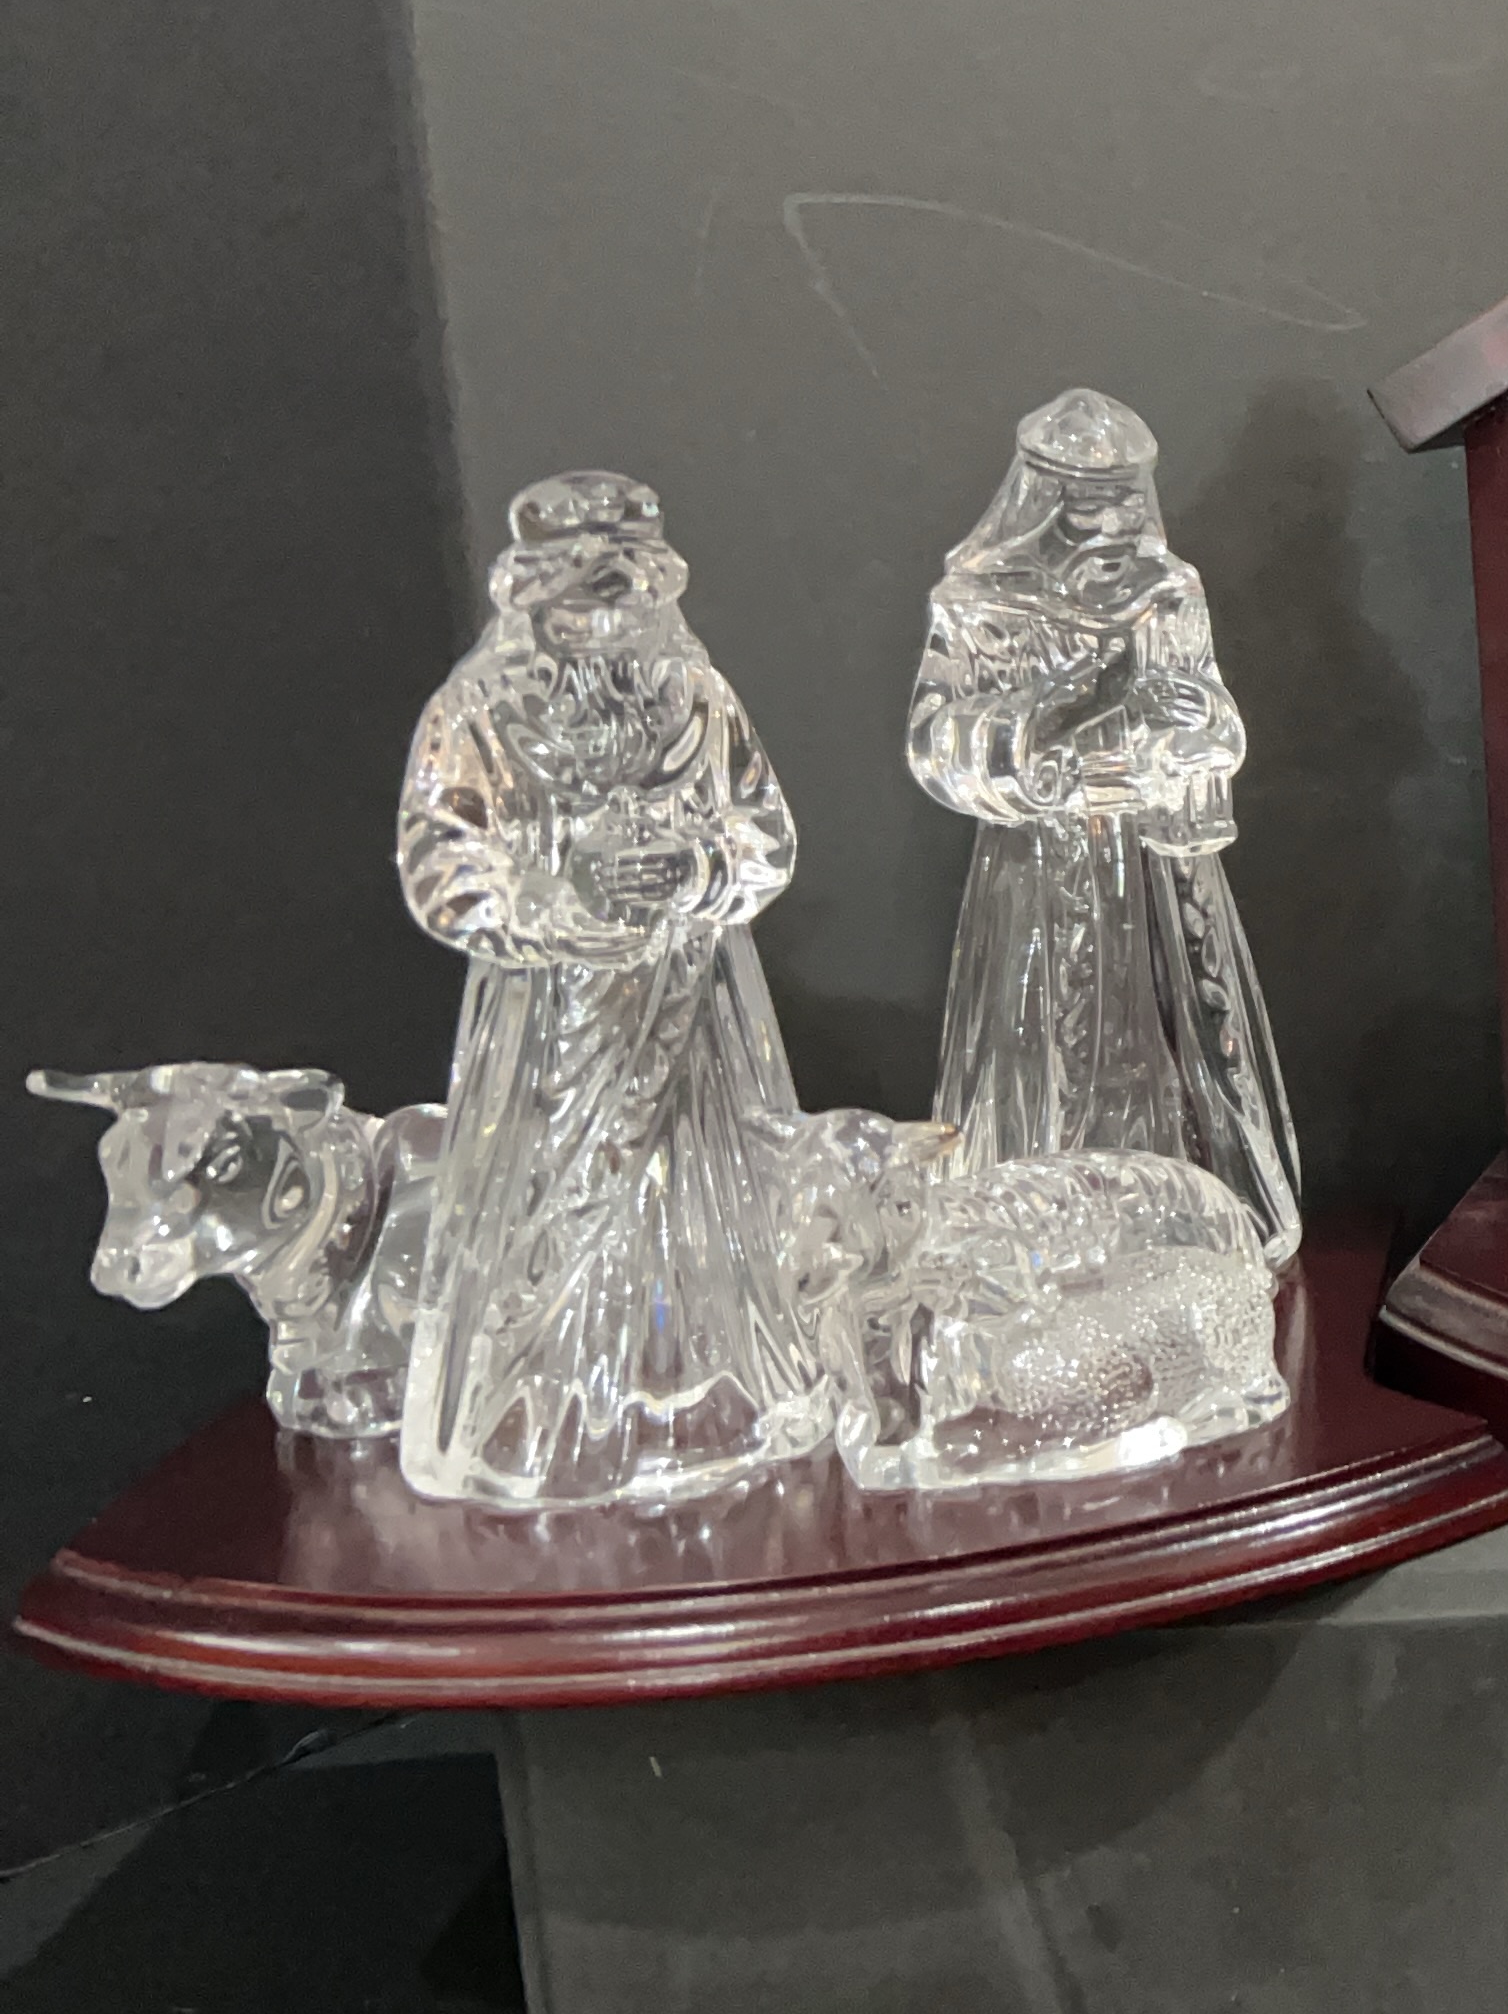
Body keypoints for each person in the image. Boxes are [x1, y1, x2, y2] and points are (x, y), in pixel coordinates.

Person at [396, 471, 824, 1506]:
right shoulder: (479, 716)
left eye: (629, 593)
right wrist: (555, 901)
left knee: (709, 1200)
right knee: (545, 1214)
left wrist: (697, 869)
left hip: (692, 1007)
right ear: (534, 596)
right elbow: (441, 868)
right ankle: (550, 1417)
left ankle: (730, 1389)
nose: (609, 619)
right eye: (585, 595)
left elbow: (765, 838)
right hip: (547, 1028)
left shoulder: (697, 701)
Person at [908, 389, 1299, 1261]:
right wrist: (1075, 703)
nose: (1120, 523)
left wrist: (1198, 726)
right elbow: (936, 744)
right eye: (1095, 504)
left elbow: (1216, 723)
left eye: (1130, 499)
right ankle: (1035, 1226)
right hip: (1036, 867)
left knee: (1162, 1038)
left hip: (1153, 865)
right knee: (1040, 1043)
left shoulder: (1166, 593)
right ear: (1043, 500)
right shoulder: (980, 603)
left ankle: (1188, 1208)